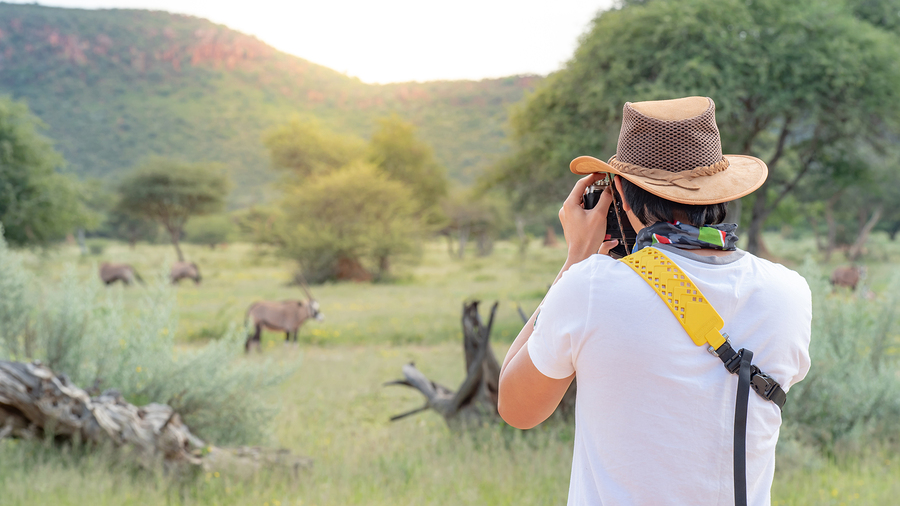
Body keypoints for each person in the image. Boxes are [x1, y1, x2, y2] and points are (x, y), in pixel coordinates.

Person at [498, 96, 811, 506]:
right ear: (719, 193)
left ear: (622, 198)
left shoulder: (588, 287)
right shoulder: (789, 292)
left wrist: (575, 259)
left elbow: (517, 408)